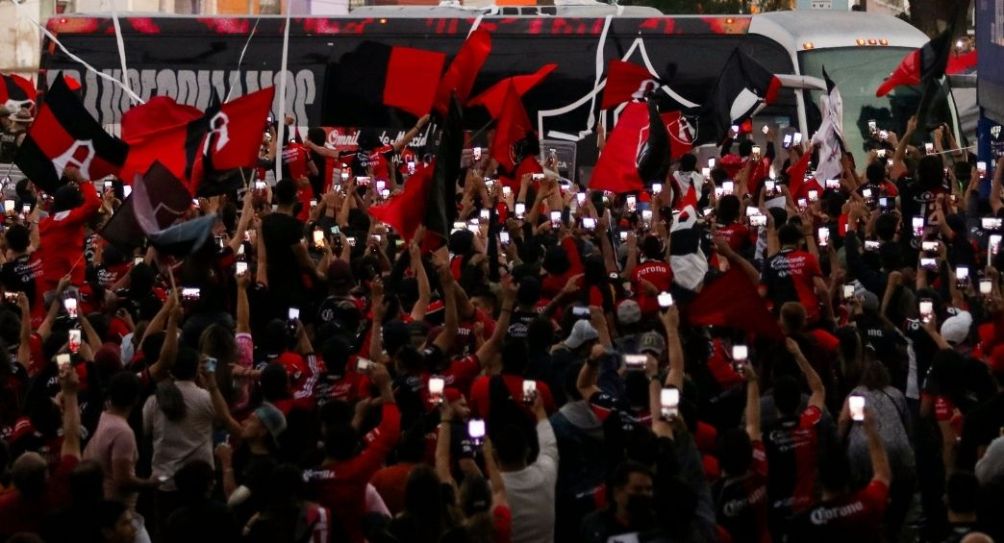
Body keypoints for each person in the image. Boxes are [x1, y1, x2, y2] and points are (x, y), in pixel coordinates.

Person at [786, 399, 892, 542]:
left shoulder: (801, 523)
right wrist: (871, 430)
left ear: (819, 477)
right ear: (849, 474)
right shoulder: (867, 503)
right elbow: (883, 473)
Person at [496, 391, 559, 543]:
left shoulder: (492, 491)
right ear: (528, 451)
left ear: (495, 456)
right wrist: (539, 411)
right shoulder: (545, 474)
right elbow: (549, 446)